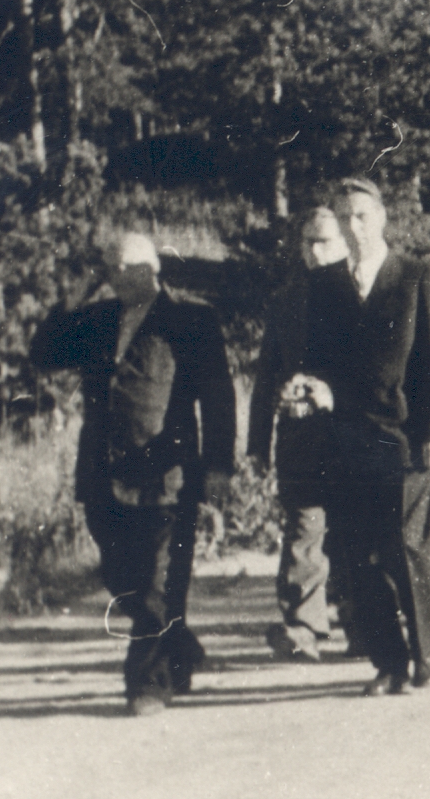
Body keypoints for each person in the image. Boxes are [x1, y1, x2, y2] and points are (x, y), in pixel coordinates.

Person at [30, 233, 235, 715]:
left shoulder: (192, 318)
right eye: (112, 269)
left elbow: (219, 397)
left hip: (168, 473)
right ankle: (179, 649)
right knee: (121, 578)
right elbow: (43, 354)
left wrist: (220, 466)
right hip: (103, 473)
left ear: (155, 268)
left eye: (130, 268)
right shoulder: (98, 318)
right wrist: (78, 291)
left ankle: (148, 684)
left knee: (158, 584)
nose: (122, 277)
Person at [313, 177, 430, 696]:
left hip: (405, 438)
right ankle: (388, 662)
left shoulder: (416, 275)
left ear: (383, 220)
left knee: (409, 549)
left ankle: (427, 660)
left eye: (362, 216)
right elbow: (314, 359)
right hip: (347, 438)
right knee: (358, 556)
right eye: (345, 217)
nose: (354, 227)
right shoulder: (325, 285)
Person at [246, 207, 356, 663]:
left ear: (346, 243)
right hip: (299, 438)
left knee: (352, 533)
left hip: (352, 434)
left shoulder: (362, 296)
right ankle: (304, 626)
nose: (315, 251)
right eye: (308, 241)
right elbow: (266, 374)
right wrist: (256, 444)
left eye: (325, 241)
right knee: (303, 530)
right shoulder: (286, 301)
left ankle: (361, 622)